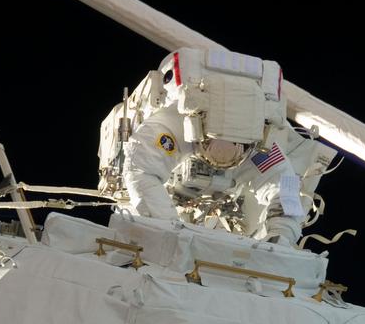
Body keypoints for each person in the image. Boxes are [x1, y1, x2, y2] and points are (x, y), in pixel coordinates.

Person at [114, 49, 306, 245]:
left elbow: (286, 189)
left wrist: (281, 236)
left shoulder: (258, 141)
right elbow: (141, 170)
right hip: (168, 205)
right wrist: (170, 228)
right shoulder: (174, 126)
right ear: (198, 131)